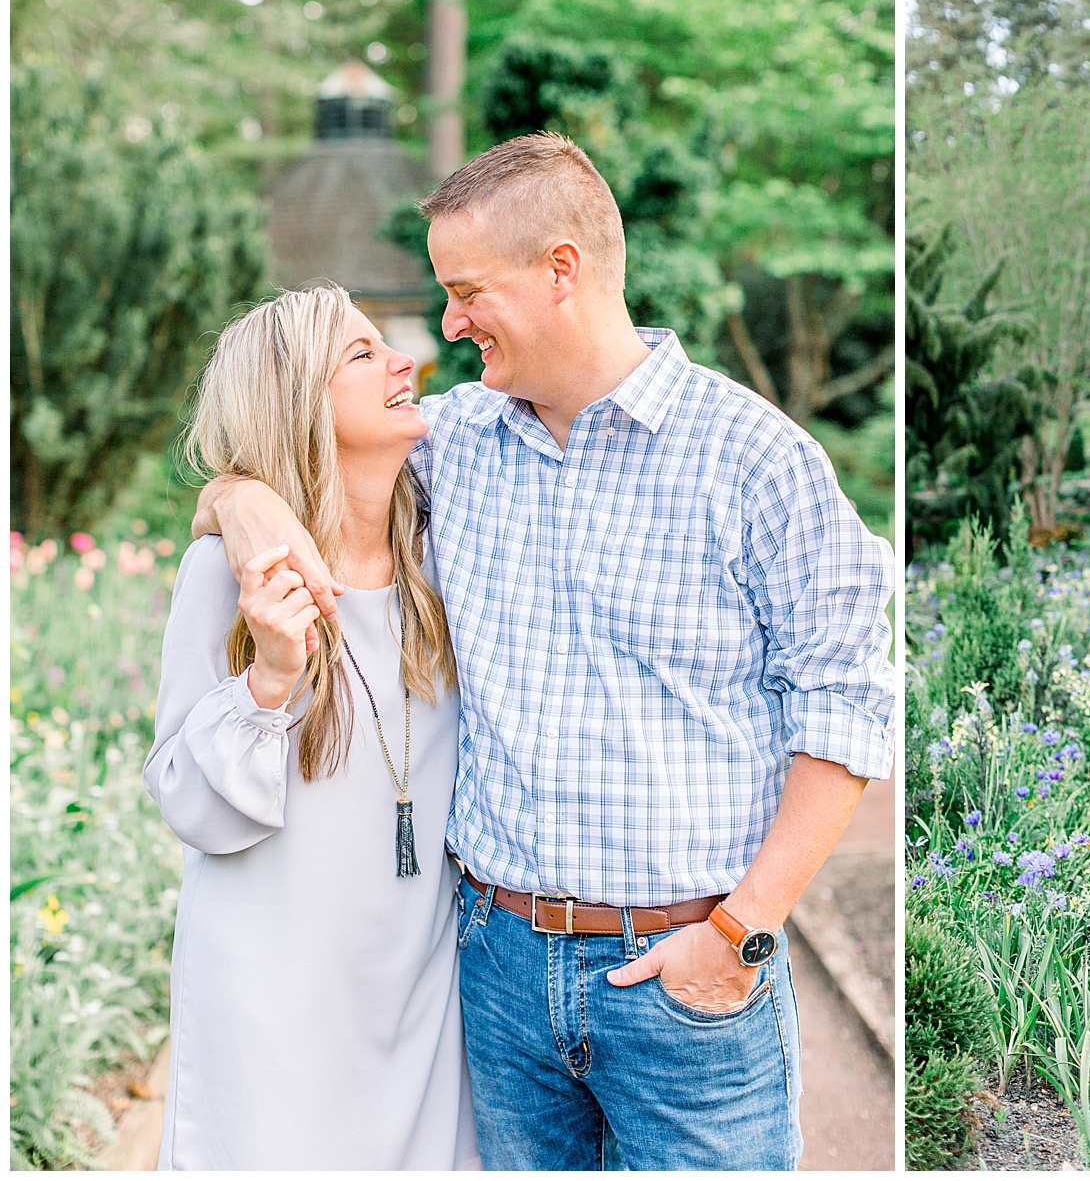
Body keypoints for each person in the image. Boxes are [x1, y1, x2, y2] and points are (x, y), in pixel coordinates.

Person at [195, 133, 895, 1170]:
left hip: (688, 986)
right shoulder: (456, 442)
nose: (448, 323)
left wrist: (740, 935)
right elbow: (301, 442)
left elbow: (847, 709)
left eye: (468, 289)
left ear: (560, 270)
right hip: (500, 976)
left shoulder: (759, 462)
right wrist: (239, 501)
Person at [146, 286, 479, 1169]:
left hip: (421, 995)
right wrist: (271, 677)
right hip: (273, 1004)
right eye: (363, 354)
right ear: (296, 401)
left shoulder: (445, 551)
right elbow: (189, 803)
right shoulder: (226, 574)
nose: (406, 362)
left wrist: (233, 491)